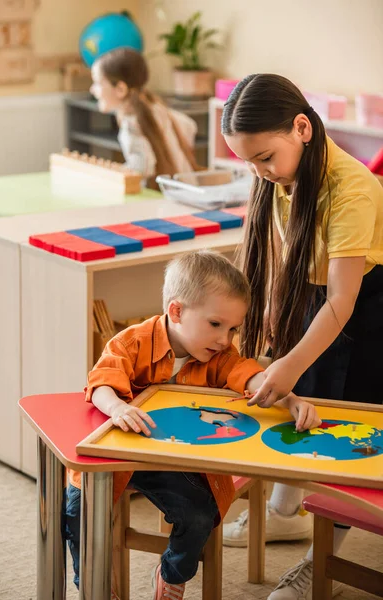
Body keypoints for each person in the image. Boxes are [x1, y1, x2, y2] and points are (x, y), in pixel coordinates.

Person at [65, 249, 321, 600]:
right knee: (76, 509)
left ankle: (171, 574)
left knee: (201, 514)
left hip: (171, 464)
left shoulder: (220, 357)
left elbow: (252, 377)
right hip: (117, 456)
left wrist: (290, 399)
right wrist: (115, 407)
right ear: (177, 311)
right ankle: (93, 585)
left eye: (233, 328)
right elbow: (101, 382)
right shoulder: (130, 342)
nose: (224, 339)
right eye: (216, 325)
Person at [221, 73, 383, 600]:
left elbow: (344, 299)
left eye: (265, 157)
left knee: (344, 430)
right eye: (249, 162)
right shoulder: (282, 178)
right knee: (303, 403)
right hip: (320, 299)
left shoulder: (354, 187)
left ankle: (320, 567)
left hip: (366, 307)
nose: (259, 173)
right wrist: (273, 321)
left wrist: (287, 362)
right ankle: (286, 513)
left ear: (301, 128)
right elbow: (281, 256)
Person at [90, 47, 199, 186]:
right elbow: (189, 125)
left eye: (98, 83)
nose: (92, 89)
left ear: (120, 89)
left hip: (168, 199)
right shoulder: (156, 107)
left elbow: (143, 166)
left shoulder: (131, 123)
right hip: (187, 190)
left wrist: (114, 175)